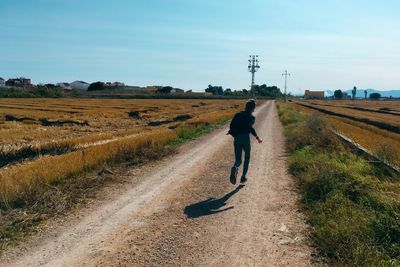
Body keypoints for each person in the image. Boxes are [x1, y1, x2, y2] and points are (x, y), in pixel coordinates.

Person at [227, 99, 262, 184]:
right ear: (253, 108)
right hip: (246, 139)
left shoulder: (237, 115)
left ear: (246, 106)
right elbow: (250, 128)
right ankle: (243, 177)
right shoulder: (251, 117)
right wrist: (257, 138)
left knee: (238, 159)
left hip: (237, 138)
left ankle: (235, 167)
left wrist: (233, 134)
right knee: (247, 158)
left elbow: (231, 126)